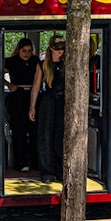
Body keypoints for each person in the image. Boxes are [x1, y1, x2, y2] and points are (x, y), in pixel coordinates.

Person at [29, 35, 66, 183]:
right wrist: (32, 106)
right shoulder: (43, 64)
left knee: (61, 137)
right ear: (51, 48)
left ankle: (61, 171)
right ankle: (47, 172)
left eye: (63, 48)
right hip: (48, 101)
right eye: (57, 49)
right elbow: (36, 87)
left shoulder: (68, 63)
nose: (61, 51)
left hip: (64, 101)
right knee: (45, 136)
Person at [4, 38, 39, 172]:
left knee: (34, 132)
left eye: (29, 51)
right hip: (17, 96)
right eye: (24, 51)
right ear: (19, 50)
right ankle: (20, 163)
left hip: (33, 96)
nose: (27, 54)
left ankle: (35, 162)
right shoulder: (11, 61)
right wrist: (8, 85)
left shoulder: (36, 61)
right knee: (19, 132)